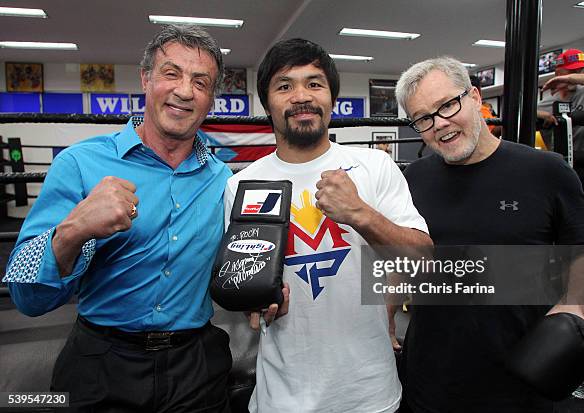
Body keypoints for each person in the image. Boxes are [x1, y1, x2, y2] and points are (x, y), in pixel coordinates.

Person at [3, 25, 233, 412]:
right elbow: (26, 297)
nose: (183, 91)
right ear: (146, 79)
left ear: (211, 97)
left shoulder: (224, 180)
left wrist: (268, 291)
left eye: (200, 81)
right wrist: (74, 229)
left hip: (196, 364)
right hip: (101, 363)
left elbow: (243, 263)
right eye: (171, 73)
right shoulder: (79, 164)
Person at [223, 38, 432, 412]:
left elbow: (421, 266)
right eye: (285, 86)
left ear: (331, 97)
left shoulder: (374, 167)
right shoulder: (242, 185)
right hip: (280, 397)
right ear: (267, 103)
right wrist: (256, 303)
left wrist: (360, 214)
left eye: (314, 83)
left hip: (368, 394)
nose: (301, 96)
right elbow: (244, 282)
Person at [394, 56, 584, 413]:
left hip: (519, 376)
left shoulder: (546, 171)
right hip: (430, 375)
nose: (440, 124)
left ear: (475, 98)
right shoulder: (413, 178)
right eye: (424, 118)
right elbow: (402, 258)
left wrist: (573, 307)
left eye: (448, 105)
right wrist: (386, 315)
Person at [537, 49, 584, 242]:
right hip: (566, 175)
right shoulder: (545, 104)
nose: (576, 76)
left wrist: (574, 78)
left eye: (579, 72)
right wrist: (538, 115)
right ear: (557, 73)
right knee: (569, 230)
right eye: (570, 71)